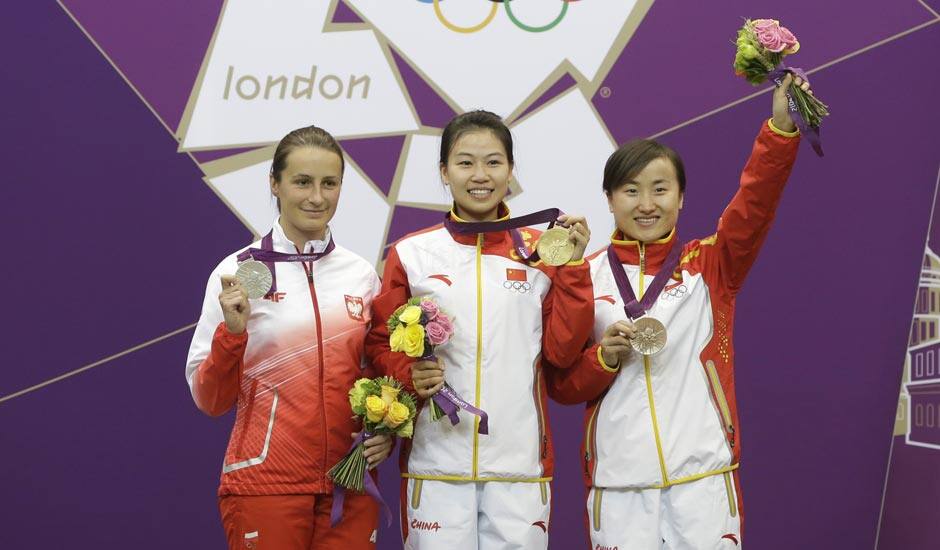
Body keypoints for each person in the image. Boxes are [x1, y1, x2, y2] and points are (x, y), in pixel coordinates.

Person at [546, 74, 811, 548]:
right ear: (608, 199)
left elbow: (755, 204)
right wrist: (603, 359)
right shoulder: (583, 277)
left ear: (682, 197)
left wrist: (779, 128)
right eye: (630, 190)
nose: (646, 205)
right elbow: (561, 385)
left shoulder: (711, 265)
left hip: (703, 480)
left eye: (660, 189)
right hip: (619, 486)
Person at [365, 110, 594, 549]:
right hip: (435, 467)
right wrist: (406, 374)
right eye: (465, 162)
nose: (480, 175)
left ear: (511, 171)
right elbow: (379, 344)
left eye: (493, 162)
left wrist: (574, 267)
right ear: (444, 173)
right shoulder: (413, 254)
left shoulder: (541, 253)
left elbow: (563, 352)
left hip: (520, 467)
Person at [185, 126, 393, 550]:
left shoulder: (361, 276)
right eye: (302, 182)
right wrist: (233, 332)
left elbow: (381, 377)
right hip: (266, 483)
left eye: (329, 184)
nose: (317, 197)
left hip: (350, 482)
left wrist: (387, 432)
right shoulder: (236, 275)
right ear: (274, 184)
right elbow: (209, 400)